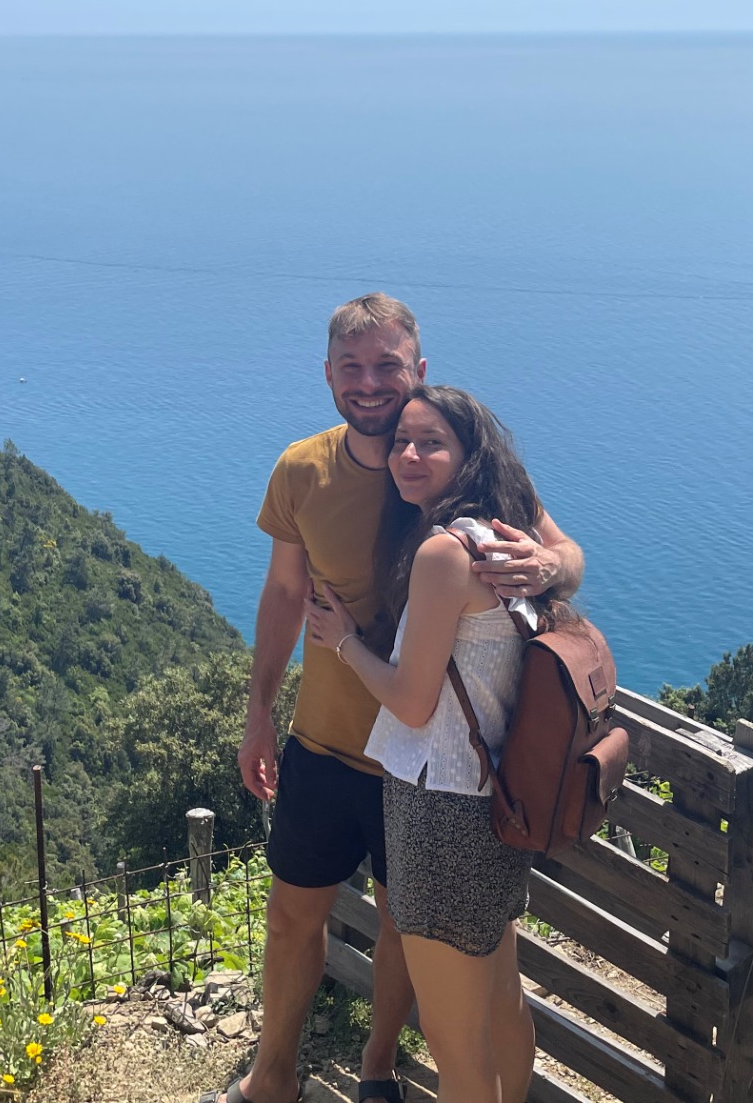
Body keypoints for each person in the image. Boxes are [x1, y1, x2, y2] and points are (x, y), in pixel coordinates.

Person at [217, 297, 581, 1103]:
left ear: (418, 369)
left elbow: (565, 553)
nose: (370, 383)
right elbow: (283, 594)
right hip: (329, 743)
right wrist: (259, 713)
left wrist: (551, 567)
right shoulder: (305, 470)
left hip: (425, 773)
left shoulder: (460, 471)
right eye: (352, 366)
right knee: (292, 916)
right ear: (327, 375)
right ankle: (272, 1076)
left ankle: (377, 1067)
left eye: (388, 365)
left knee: (408, 934)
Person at [305, 385, 555, 1103]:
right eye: (401, 442)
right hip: (493, 804)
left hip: (439, 809)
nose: (409, 455)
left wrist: (344, 642)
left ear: (469, 456)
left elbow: (413, 704)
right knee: (501, 1000)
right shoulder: (501, 538)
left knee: (453, 1040)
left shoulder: (444, 554)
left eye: (432, 442)